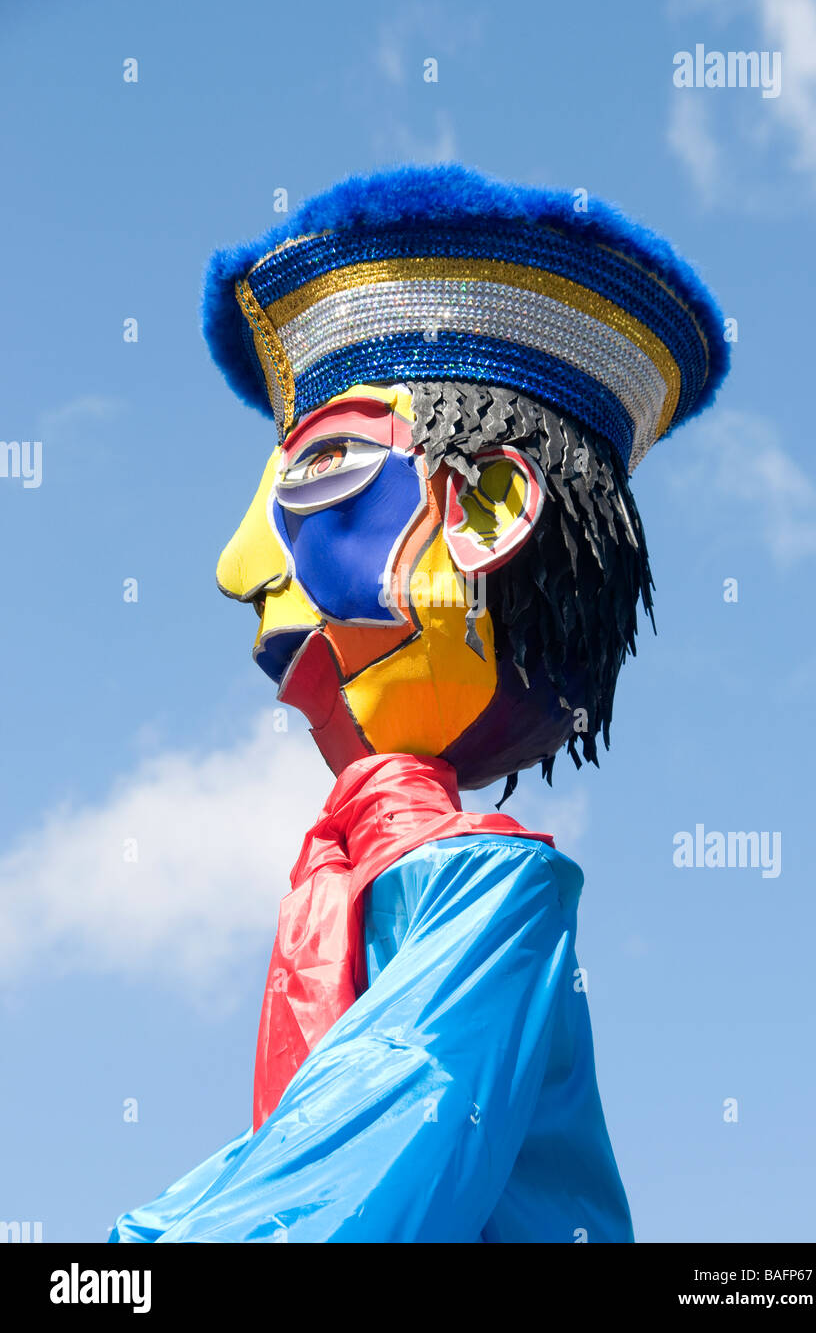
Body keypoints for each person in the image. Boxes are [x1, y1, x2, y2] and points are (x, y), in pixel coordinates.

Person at [110, 164, 729, 1242]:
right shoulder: (391, 872)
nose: (238, 561)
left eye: (322, 473)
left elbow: (347, 1188)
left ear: (486, 508)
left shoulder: (487, 889)